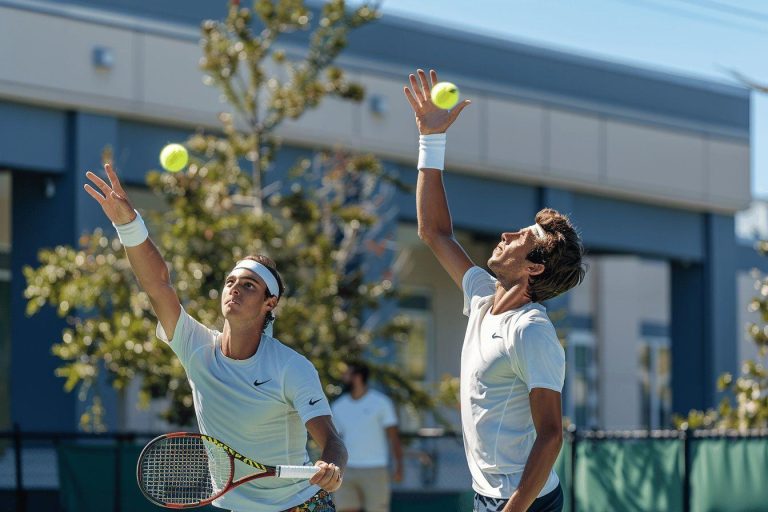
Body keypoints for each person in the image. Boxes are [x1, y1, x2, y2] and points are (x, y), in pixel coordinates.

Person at [84, 163, 347, 512]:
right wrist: (128, 224)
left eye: (248, 285)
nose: (235, 289)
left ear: (270, 304)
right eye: (230, 282)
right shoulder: (196, 348)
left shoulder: (290, 368)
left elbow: (331, 439)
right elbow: (157, 285)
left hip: (299, 505)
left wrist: (330, 466)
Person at [403, 69, 586, 512]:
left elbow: (551, 433)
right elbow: (434, 231)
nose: (505, 234)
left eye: (520, 237)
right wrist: (431, 139)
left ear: (534, 267)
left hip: (524, 504)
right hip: (490, 497)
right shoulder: (484, 297)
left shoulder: (531, 331)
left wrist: (514, 510)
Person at [331, 361, 403, 512]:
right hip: (346, 469)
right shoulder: (338, 406)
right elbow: (334, 441)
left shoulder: (381, 403)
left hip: (375, 468)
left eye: (347, 374)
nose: (343, 378)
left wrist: (399, 466)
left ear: (357, 377)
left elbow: (394, 437)